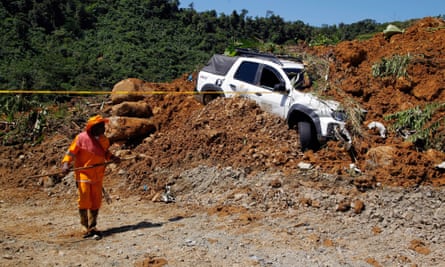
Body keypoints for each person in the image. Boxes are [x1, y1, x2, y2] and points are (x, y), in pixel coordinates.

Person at [62, 115, 120, 239]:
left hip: (98, 174)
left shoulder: (104, 140)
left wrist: (113, 158)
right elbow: (71, 152)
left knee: (96, 200)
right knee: (84, 197)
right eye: (100, 126)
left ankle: (92, 226)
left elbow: (105, 153)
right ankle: (84, 225)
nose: (104, 128)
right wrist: (66, 164)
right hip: (83, 173)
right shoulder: (81, 138)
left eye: (103, 125)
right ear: (93, 128)